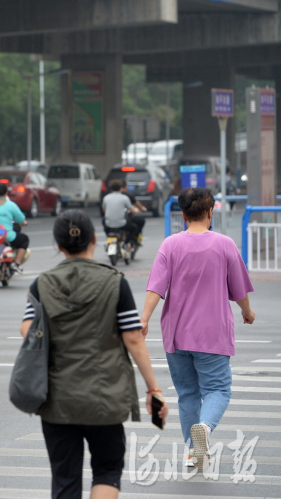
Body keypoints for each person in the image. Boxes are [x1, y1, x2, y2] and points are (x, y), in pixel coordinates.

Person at [22, 209, 167, 499]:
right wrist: (153, 388)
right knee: (107, 470)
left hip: (58, 398)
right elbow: (133, 339)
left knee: (65, 478)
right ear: (95, 239)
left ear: (58, 245)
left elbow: (27, 330)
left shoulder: (42, 284)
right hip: (105, 396)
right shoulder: (115, 282)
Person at [141, 187, 255, 471]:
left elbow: (156, 287)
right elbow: (239, 289)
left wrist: (143, 319)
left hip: (177, 335)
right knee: (217, 389)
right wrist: (247, 312)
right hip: (212, 334)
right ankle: (203, 429)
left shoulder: (170, 245)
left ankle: (193, 452)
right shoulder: (225, 244)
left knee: (188, 393)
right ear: (210, 211)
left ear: (182, 214)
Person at [101, 179, 140, 245]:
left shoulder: (106, 198)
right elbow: (132, 210)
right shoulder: (124, 198)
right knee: (134, 228)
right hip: (122, 224)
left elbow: (104, 209)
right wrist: (137, 210)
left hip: (109, 224)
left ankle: (108, 237)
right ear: (121, 188)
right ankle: (126, 242)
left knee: (104, 222)